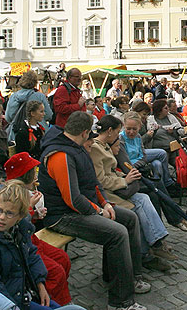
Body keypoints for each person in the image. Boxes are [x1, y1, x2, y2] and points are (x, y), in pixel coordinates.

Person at [37, 111, 150, 310]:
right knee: (117, 232)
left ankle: (124, 278)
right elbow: (72, 198)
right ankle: (120, 302)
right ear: (84, 132)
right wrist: (98, 211)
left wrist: (105, 203)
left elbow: (93, 182)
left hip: (77, 208)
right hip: (61, 215)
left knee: (130, 218)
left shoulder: (76, 148)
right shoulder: (61, 154)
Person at [88, 117, 177, 272]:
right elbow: (100, 180)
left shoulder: (104, 145)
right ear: (110, 131)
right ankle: (152, 246)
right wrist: (125, 180)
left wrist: (124, 177)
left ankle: (154, 244)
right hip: (108, 194)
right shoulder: (98, 148)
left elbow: (113, 171)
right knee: (140, 205)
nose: (119, 135)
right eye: (117, 132)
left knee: (147, 196)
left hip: (116, 188)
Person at [0, 181, 79, 310]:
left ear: (20, 216)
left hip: (27, 290)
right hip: (14, 301)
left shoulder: (20, 227)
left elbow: (31, 254)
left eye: (9, 213)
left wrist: (40, 284)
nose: (1, 217)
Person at [4, 153, 75, 306]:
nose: (36, 176)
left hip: (29, 239)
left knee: (63, 258)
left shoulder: (24, 193)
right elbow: (13, 225)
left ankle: (58, 297)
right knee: (56, 272)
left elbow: (25, 224)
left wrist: (35, 214)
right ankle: (47, 300)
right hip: (21, 244)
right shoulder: (10, 196)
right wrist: (29, 209)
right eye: (33, 172)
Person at [6, 70, 53, 142]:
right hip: (38, 132)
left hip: (17, 132)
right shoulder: (40, 96)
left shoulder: (13, 97)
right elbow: (49, 115)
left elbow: (8, 118)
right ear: (35, 82)